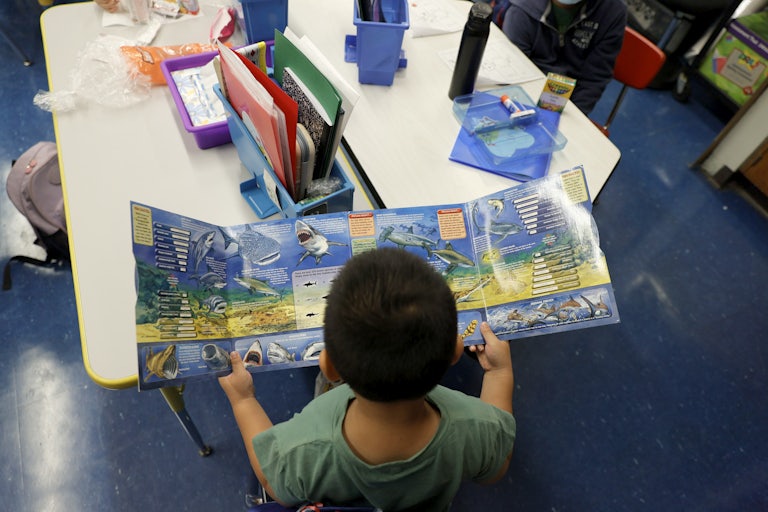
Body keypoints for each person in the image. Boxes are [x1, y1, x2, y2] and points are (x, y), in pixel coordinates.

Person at [219, 247, 516, 511]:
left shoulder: (306, 449)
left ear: (329, 368)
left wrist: (243, 401)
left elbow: (274, 485)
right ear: (455, 352)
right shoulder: (474, 428)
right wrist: (498, 373)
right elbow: (498, 464)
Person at [498, 0, 627, 114]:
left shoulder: (613, 11)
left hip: (571, 103)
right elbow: (513, 71)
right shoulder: (521, 9)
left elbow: (595, 78)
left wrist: (575, 115)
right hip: (523, 95)